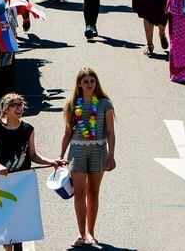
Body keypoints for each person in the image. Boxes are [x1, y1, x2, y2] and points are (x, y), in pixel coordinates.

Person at [0, 94, 62, 251]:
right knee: (7, 219)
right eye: (15, 105)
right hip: (4, 181)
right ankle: (8, 247)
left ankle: (16, 246)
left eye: (21, 105)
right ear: (5, 109)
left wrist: (51, 162)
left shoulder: (28, 129)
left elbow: (33, 155)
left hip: (23, 182)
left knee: (19, 221)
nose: (19, 108)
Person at [58, 68, 115, 248]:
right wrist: (60, 157)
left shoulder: (105, 104)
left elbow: (110, 132)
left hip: (99, 150)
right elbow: (67, 133)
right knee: (80, 193)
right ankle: (81, 234)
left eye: (92, 81)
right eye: (86, 82)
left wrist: (111, 154)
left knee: (93, 193)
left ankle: (91, 233)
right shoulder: (72, 104)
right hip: (78, 151)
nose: (90, 84)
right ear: (79, 84)